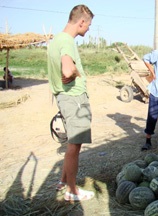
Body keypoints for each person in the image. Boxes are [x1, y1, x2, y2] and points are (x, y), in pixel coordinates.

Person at [47, 5, 95, 201]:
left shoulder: (56, 40)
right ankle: (72, 190)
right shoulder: (67, 42)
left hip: (66, 99)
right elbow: (67, 71)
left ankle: (63, 181)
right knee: (75, 146)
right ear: (81, 22)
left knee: (71, 146)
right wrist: (75, 71)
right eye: (89, 25)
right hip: (74, 100)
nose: (89, 29)